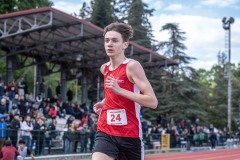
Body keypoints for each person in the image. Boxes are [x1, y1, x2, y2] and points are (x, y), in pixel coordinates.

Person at [92, 22, 158, 160]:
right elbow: (112, 92)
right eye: (107, 40)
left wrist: (120, 90)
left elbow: (152, 101)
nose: (109, 44)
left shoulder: (132, 66)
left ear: (125, 45)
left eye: (115, 40)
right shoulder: (104, 68)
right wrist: (105, 102)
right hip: (106, 130)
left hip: (130, 134)